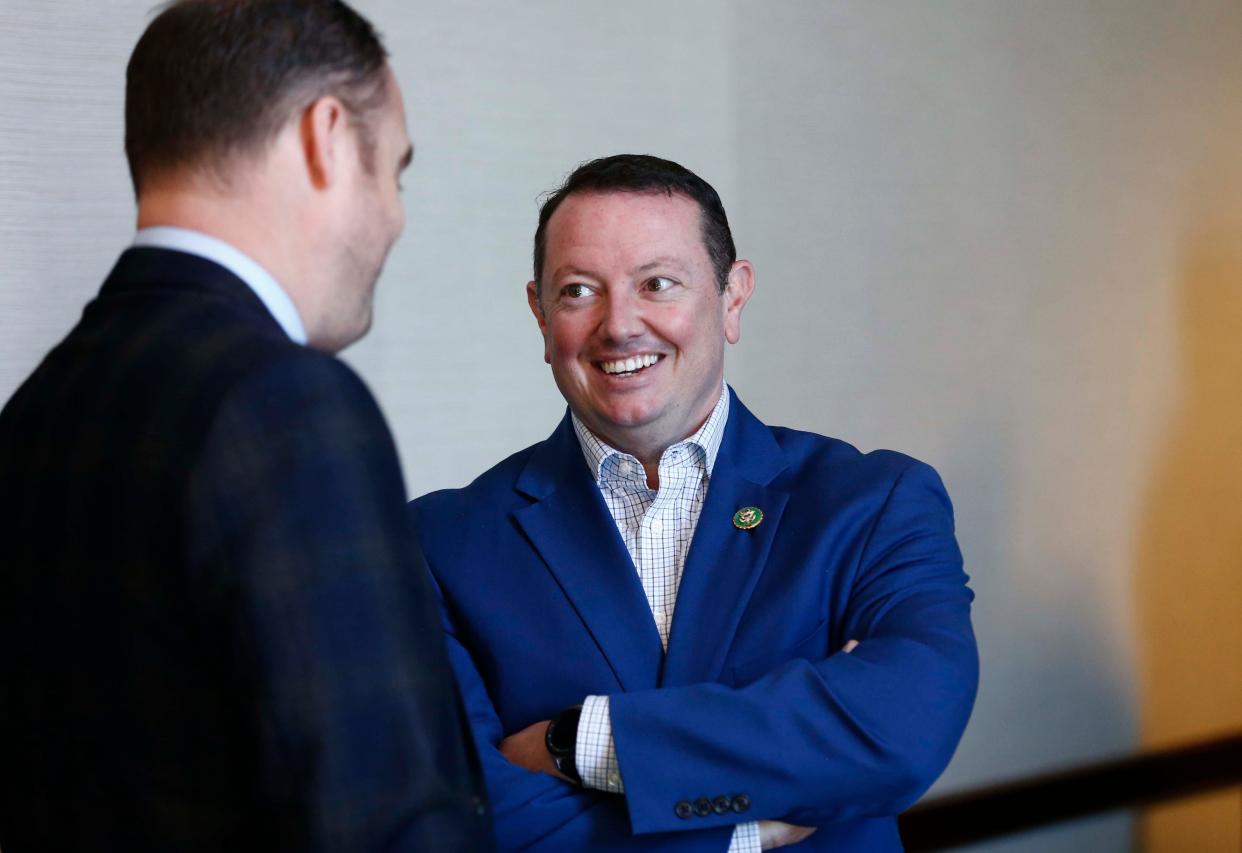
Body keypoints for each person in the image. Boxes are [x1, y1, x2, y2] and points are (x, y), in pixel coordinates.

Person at [0, 2, 492, 850]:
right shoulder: (288, 406)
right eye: (394, 171)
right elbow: (384, 822)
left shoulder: (34, 413)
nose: (397, 216)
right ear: (326, 137)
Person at [409, 154, 978, 851]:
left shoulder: (873, 505)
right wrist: (741, 832)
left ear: (732, 296)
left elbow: (904, 727)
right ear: (539, 312)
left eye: (658, 283)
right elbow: (458, 816)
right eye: (579, 291)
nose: (619, 325)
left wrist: (580, 740)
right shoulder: (439, 543)